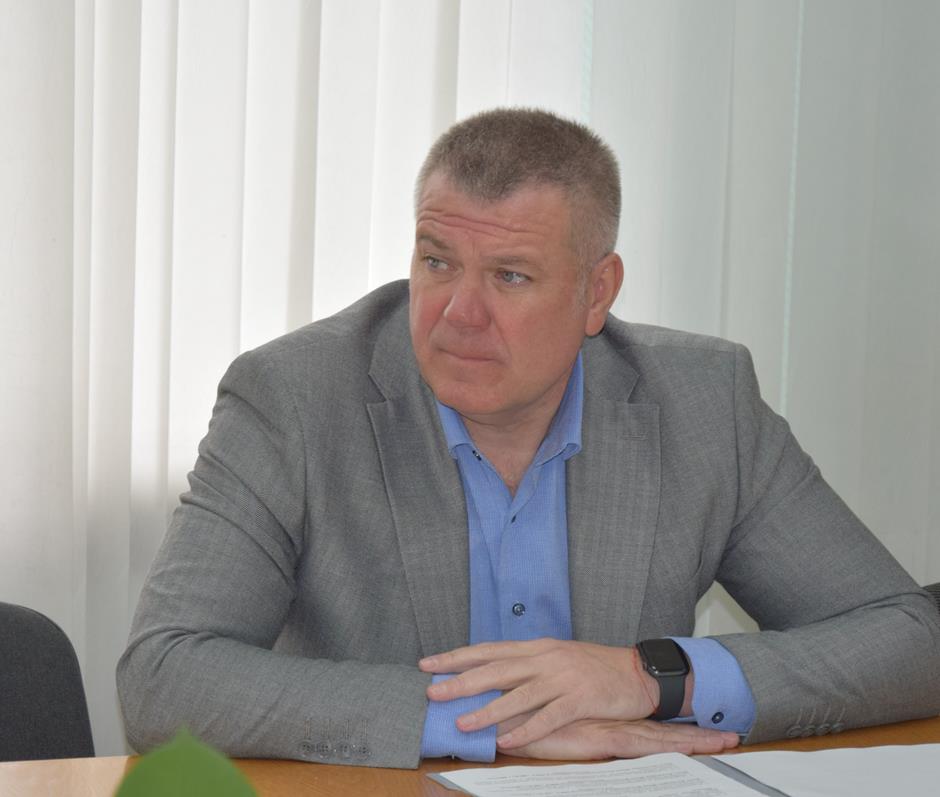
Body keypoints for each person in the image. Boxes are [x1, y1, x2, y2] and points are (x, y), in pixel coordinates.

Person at [117, 108, 940, 769]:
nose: (458, 313)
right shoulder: (294, 397)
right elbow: (164, 676)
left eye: (510, 275)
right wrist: (493, 720)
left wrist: (648, 677)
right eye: (438, 262)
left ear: (597, 292)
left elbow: (911, 640)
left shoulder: (703, 402)